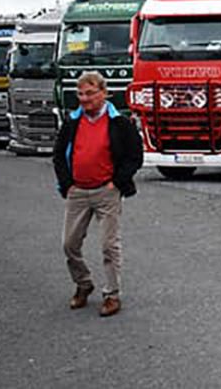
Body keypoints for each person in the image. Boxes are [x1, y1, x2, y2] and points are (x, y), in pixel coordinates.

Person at [52, 71, 143, 317]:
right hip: (78, 191)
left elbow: (135, 155)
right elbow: (59, 154)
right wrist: (67, 184)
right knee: (69, 244)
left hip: (106, 191)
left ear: (104, 93)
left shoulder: (119, 123)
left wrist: (117, 182)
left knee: (109, 246)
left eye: (90, 93)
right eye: (80, 94)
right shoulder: (72, 122)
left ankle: (112, 294)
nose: (85, 99)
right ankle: (83, 283)